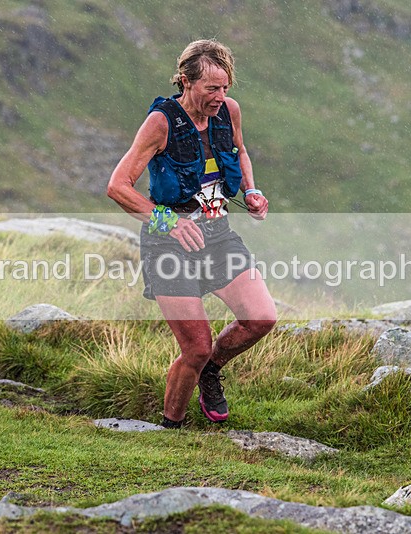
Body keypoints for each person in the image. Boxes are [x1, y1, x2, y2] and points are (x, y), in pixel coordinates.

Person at [107, 39, 276, 428]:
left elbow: (240, 151)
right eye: (211, 88)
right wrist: (169, 222)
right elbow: (117, 186)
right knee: (196, 348)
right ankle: (171, 428)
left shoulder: (228, 111)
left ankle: (211, 371)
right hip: (168, 244)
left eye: (225, 87)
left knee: (261, 318)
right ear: (186, 81)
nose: (220, 97)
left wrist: (251, 191)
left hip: (217, 235)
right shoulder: (161, 123)